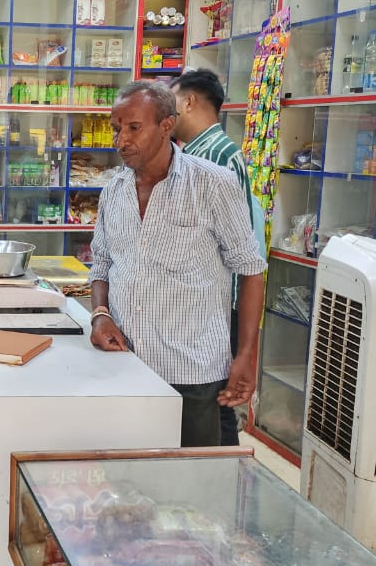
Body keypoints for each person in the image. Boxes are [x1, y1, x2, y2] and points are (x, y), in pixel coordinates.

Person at [89, 81, 267, 447]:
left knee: (191, 478)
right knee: (130, 474)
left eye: (134, 128)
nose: (121, 140)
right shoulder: (113, 191)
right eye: (117, 129)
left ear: (166, 126)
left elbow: (251, 269)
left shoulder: (213, 184)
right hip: (125, 365)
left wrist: (245, 355)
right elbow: (102, 264)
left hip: (192, 373)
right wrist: (100, 315)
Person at [171, 68, 264, 445]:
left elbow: (240, 253)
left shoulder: (214, 157)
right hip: (212, 305)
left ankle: (225, 475)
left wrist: (244, 345)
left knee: (216, 403)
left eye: (171, 101)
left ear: (189, 102)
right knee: (213, 402)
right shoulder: (199, 151)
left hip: (217, 307)